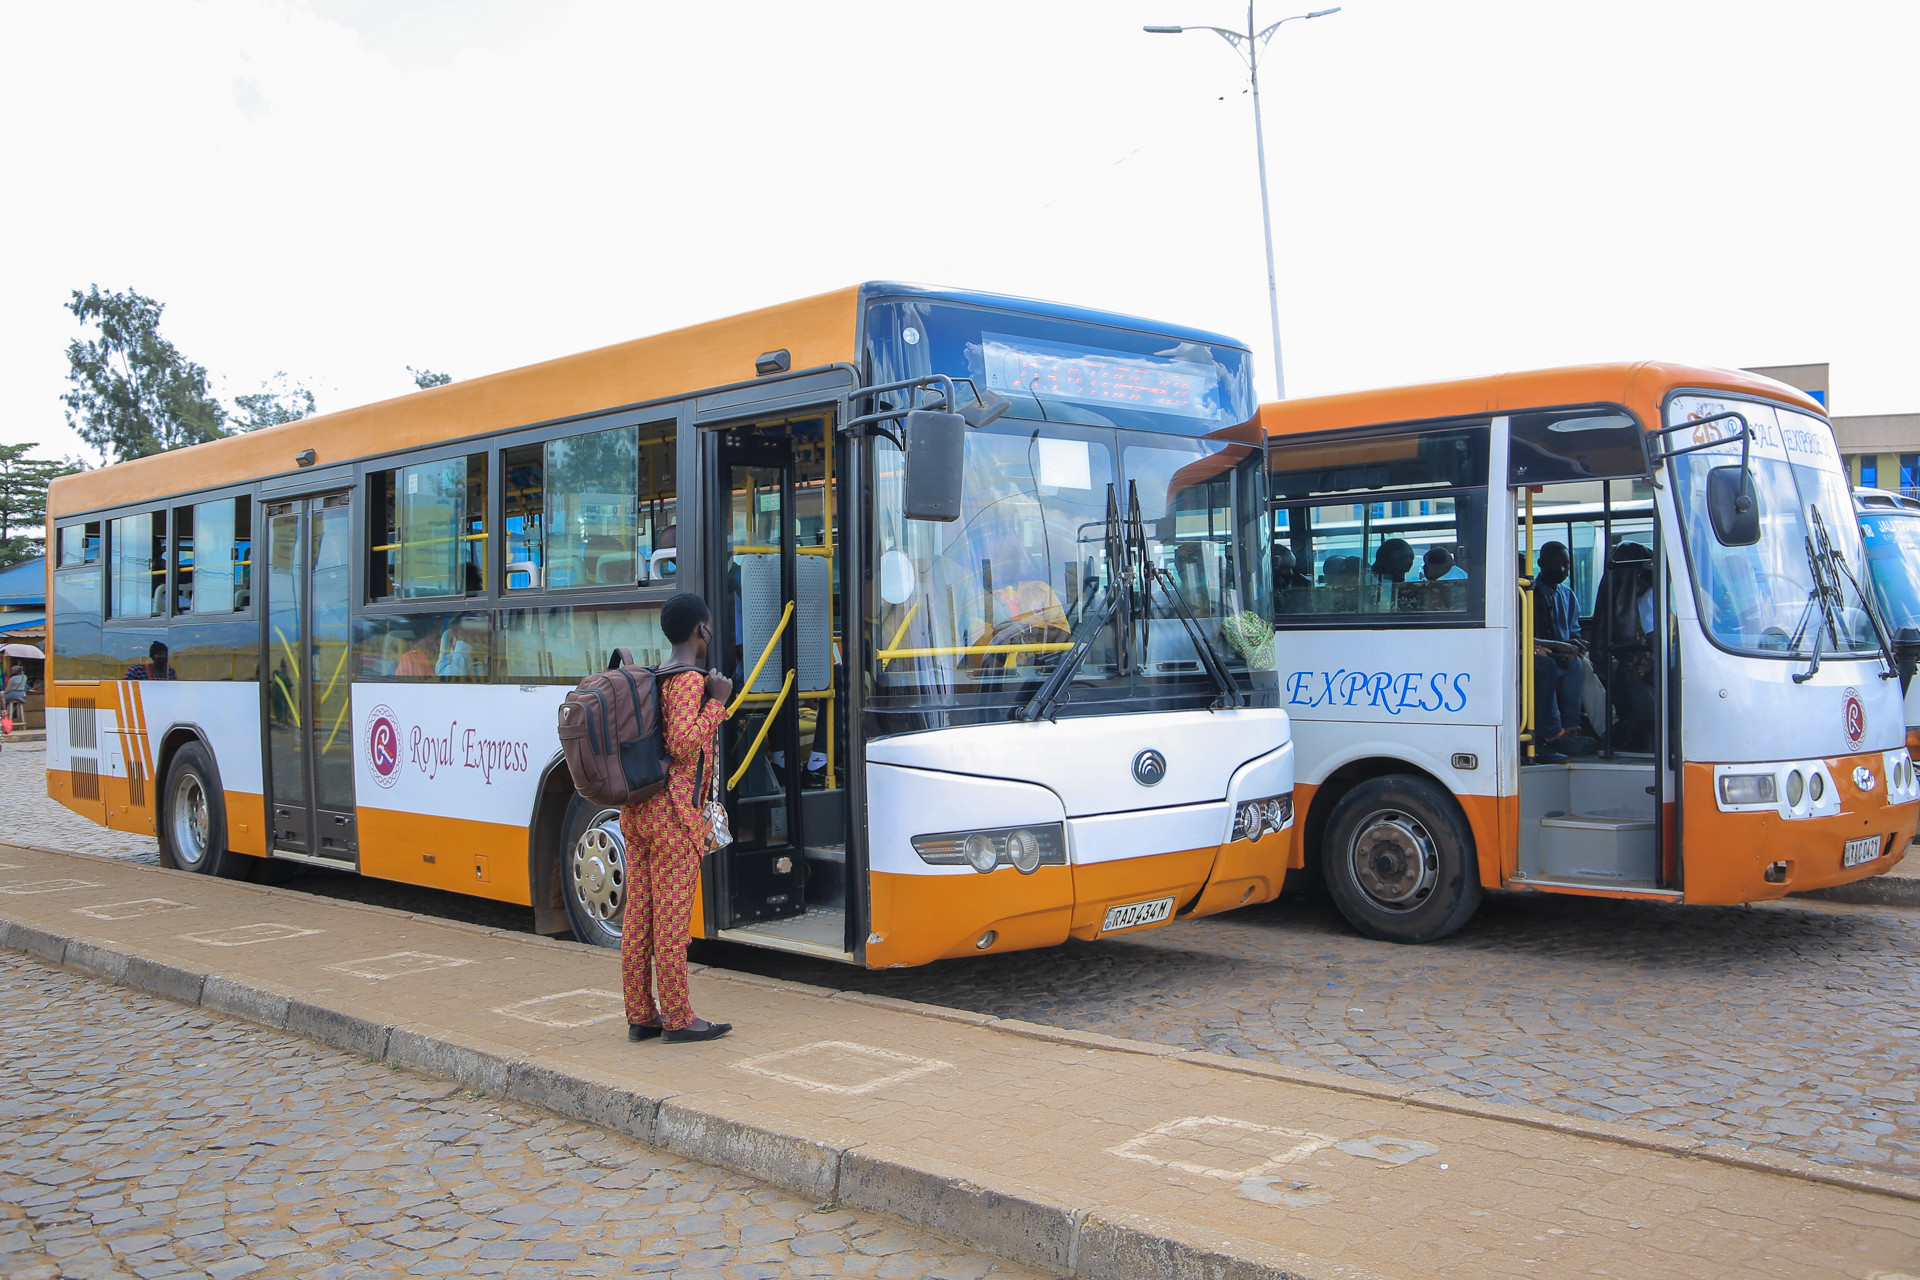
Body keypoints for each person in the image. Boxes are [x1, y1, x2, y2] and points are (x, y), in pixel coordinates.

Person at [619, 591, 734, 1044]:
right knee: (670, 923)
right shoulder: (689, 681)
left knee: (638, 920)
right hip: (673, 821)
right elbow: (685, 742)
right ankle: (679, 1019)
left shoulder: (657, 675)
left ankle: (640, 1014)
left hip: (639, 814)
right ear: (701, 630)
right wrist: (717, 702)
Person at [1531, 541, 1591, 762]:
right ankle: (1553, 733)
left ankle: (1572, 727)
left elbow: (1573, 630)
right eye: (1555, 564)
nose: (1562, 570)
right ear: (1541, 564)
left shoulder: (1567, 594)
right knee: (1554, 665)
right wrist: (1559, 646)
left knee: (1576, 662)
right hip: (1540, 651)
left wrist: (1577, 642)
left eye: (1565, 564)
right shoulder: (1528, 594)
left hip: (1563, 651)